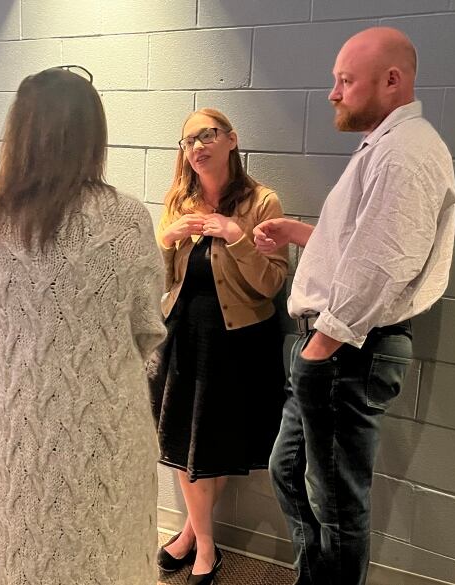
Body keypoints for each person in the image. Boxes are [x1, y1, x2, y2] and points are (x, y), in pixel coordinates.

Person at [254, 27, 455, 585]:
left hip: (347, 351)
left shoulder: (405, 154)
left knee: (337, 502)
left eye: (345, 80)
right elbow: (363, 244)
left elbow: (385, 264)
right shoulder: (386, 146)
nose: (332, 93)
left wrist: (321, 349)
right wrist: (302, 233)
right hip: (335, 348)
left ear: (392, 81)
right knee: (289, 469)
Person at [0, 66, 166, 585]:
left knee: (28, 549)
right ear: (91, 135)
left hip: (20, 418)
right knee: (108, 550)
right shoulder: (124, 219)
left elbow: (3, 319)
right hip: (104, 419)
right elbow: (148, 324)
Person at [149, 108, 289, 585]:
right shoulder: (178, 201)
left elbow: (271, 284)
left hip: (240, 342)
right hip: (184, 336)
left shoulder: (262, 202)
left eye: (207, 135)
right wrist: (166, 241)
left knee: (217, 441)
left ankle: (191, 537)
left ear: (231, 139)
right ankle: (205, 546)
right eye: (188, 140)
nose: (197, 146)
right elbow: (161, 282)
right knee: (187, 441)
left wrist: (237, 237)